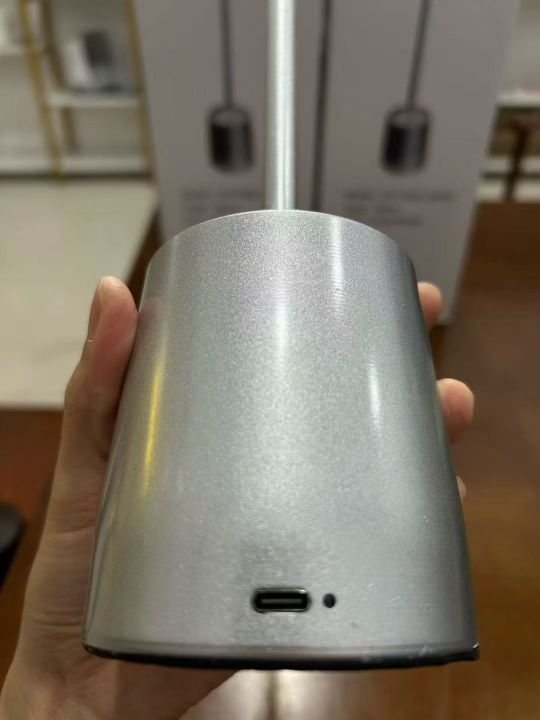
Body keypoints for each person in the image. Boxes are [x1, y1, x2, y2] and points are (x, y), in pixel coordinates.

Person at [0, 277, 473, 719]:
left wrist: (59, 699)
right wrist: (60, 695)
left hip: (153, 614)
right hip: (145, 616)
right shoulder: (180, 285)